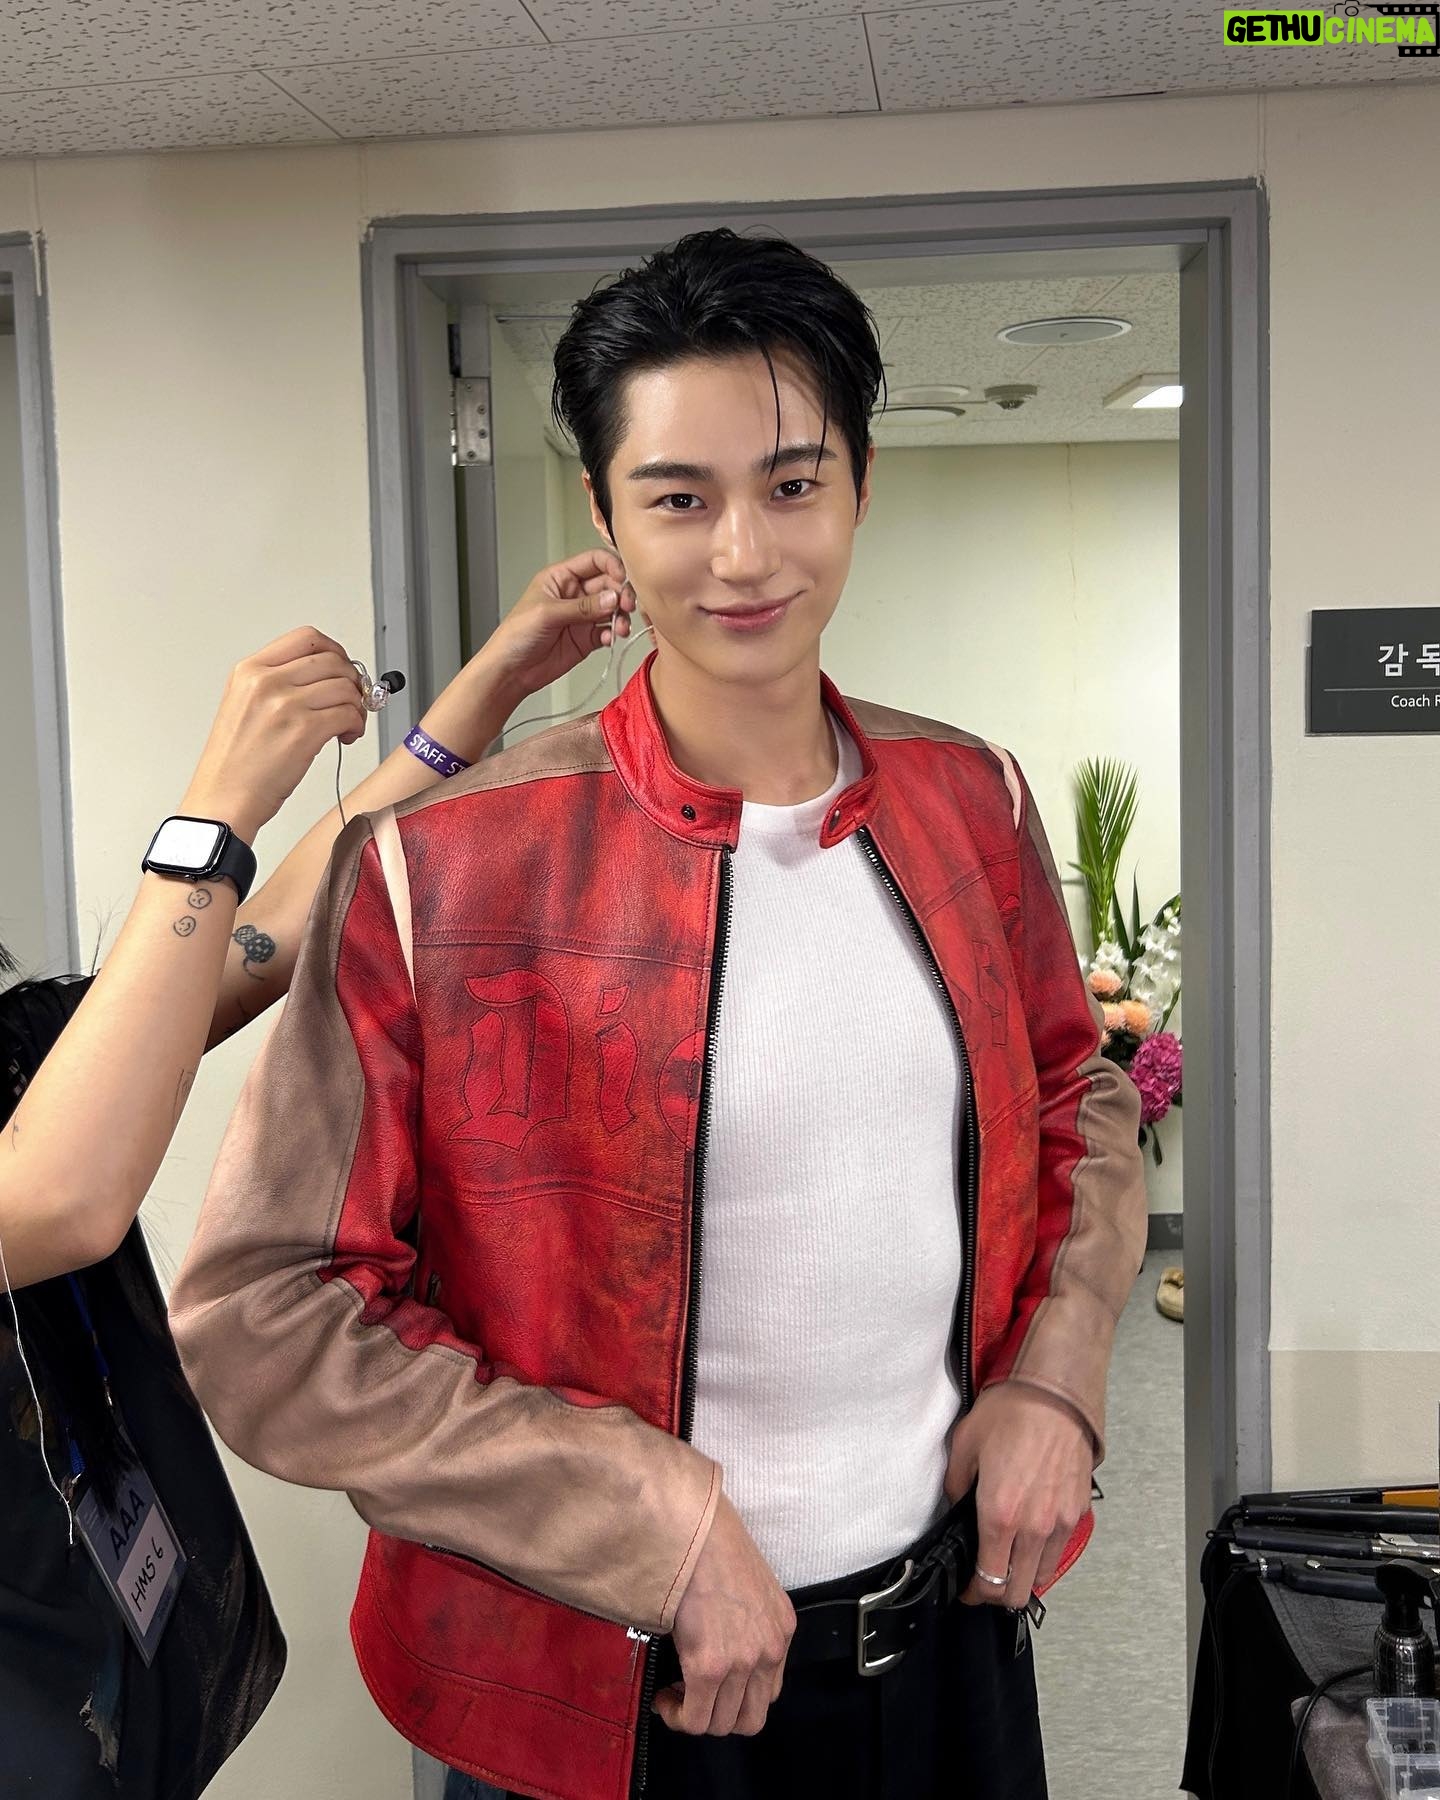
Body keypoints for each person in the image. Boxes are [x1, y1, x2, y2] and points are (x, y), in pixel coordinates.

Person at [168, 228, 1149, 1800]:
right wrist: (647, 1518)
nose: (743, 554)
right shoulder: (445, 864)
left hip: (945, 1647)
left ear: (862, 484)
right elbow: (266, 1313)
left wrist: (1059, 1371)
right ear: (606, 515)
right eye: (680, 499)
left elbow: (1077, 1095)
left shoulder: (976, 799)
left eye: (791, 485)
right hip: (607, 1684)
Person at [0, 559, 636, 1798]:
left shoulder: (18, 1053)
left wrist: (481, 696)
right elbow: (55, 1202)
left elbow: (260, 940)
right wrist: (213, 810)